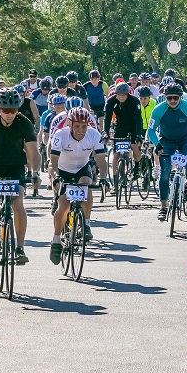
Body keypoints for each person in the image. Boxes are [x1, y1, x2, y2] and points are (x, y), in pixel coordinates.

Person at [0, 88, 41, 269]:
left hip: (14, 167)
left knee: (18, 204)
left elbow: (33, 152)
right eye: (5, 110)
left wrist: (35, 173)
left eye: (13, 110)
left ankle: (20, 248)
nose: (10, 114)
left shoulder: (24, 123)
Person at [48, 107, 104, 262]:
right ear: (70, 124)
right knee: (64, 207)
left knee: (87, 183)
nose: (80, 130)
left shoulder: (94, 135)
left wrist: (105, 178)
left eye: (84, 126)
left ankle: (86, 223)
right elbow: (53, 161)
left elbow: (101, 159)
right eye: (77, 126)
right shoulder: (60, 136)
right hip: (63, 170)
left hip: (82, 168)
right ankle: (56, 239)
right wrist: (55, 177)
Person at [146, 83, 187, 221]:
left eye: (175, 98)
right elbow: (151, 130)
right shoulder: (158, 110)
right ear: (165, 97)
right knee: (165, 173)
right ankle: (163, 206)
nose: (172, 101)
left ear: (180, 98)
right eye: (169, 98)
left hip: (185, 139)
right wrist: (157, 145)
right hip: (166, 140)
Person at [103, 83, 143, 184]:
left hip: (133, 125)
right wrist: (105, 133)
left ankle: (137, 166)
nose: (121, 97)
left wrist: (139, 134)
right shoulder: (111, 101)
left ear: (128, 94)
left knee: (134, 146)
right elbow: (107, 118)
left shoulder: (134, 101)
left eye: (123, 95)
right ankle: (115, 180)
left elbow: (138, 119)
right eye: (119, 95)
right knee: (116, 153)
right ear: (115, 94)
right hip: (120, 125)